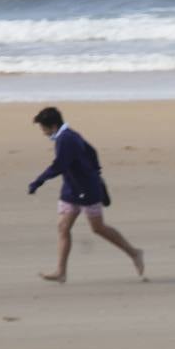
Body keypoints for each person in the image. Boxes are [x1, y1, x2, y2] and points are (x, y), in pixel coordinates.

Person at [27, 106, 144, 284]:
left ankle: (134, 252)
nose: (43, 133)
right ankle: (61, 272)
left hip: (86, 190)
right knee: (63, 228)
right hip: (72, 189)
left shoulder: (66, 139)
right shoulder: (70, 135)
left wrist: (39, 181)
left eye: (43, 129)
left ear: (52, 126)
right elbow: (92, 152)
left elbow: (59, 165)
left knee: (98, 228)